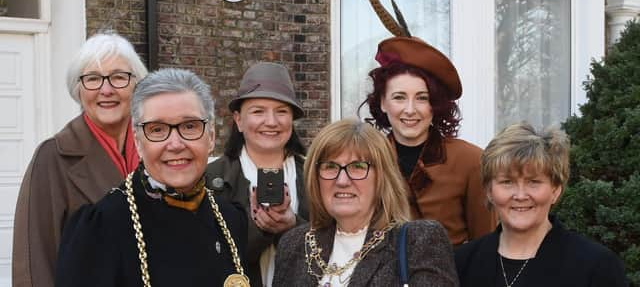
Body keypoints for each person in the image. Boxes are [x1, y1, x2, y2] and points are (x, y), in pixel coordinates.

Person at [356, 0, 495, 244]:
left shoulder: (471, 161)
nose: (410, 109)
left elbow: (485, 246)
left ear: (436, 105)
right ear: (383, 103)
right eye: (400, 97)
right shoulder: (364, 159)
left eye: (422, 98)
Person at [55, 68, 249, 286]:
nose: (175, 144)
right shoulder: (100, 228)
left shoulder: (231, 218)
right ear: (138, 142)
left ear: (211, 137)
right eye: (157, 130)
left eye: (190, 126)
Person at [12, 31, 148, 287]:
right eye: (93, 79)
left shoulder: (158, 148)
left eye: (118, 77)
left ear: (136, 85)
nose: (106, 90)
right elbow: (34, 258)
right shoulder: (53, 156)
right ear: (78, 89)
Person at [273, 119, 459, 286]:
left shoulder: (420, 241)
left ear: (382, 178)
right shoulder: (294, 244)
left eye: (358, 167)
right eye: (330, 167)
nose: (342, 181)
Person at [455, 122, 628, 287]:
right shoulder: (461, 264)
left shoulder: (597, 267)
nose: (520, 195)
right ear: (489, 190)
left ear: (555, 190)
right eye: (507, 182)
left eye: (534, 182)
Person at [206, 62, 308, 287]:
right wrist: (259, 230)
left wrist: (293, 227)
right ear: (239, 120)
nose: (271, 122)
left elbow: (336, 249)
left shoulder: (317, 176)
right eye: (258, 111)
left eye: (281, 111)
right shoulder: (210, 180)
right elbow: (205, 258)